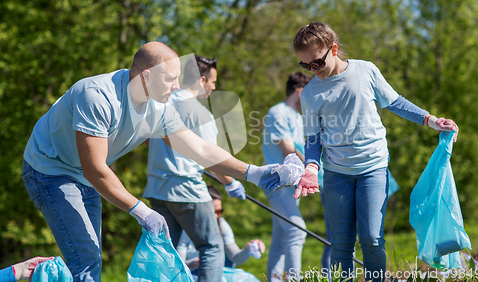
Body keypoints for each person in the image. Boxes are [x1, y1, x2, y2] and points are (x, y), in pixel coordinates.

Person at [22, 41, 311, 282]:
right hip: (50, 169)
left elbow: (199, 149)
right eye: (170, 79)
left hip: (84, 175)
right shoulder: (98, 96)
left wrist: (254, 173)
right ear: (146, 76)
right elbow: (95, 169)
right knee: (85, 260)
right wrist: (141, 210)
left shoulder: (159, 109)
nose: (176, 87)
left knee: (90, 257)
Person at [293, 22, 458, 282]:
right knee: (341, 244)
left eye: (316, 62)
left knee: (371, 238)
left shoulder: (365, 70)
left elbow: (395, 102)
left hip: (373, 168)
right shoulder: (311, 93)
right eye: (305, 65)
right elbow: (312, 139)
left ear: (333, 49)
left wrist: (431, 120)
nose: (313, 70)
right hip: (336, 174)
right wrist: (311, 169)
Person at [143, 55, 246, 282]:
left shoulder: (161, 105)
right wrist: (231, 183)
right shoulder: (202, 114)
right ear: (201, 80)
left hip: (157, 190)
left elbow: (147, 141)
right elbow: (212, 159)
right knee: (211, 247)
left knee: (169, 252)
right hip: (187, 191)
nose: (214, 87)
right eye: (213, 82)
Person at [261, 72, 311, 281]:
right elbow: (288, 150)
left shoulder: (297, 117)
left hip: (291, 186)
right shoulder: (278, 113)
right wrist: (312, 167)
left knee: (282, 237)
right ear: (300, 92)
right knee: (297, 232)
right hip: (278, 184)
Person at [177, 186, 265, 277]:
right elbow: (178, 267)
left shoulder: (222, 225)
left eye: (219, 212)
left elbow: (236, 258)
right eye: (211, 212)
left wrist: (248, 249)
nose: (216, 216)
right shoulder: (186, 230)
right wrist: (195, 263)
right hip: (192, 274)